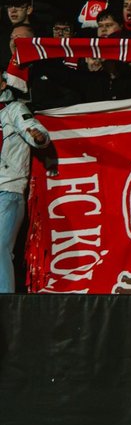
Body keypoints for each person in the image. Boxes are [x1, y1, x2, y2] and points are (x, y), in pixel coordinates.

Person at [1, 94, 54, 293]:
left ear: (3, 84)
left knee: (0, 248)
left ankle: (5, 308)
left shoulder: (13, 110)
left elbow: (33, 128)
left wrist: (39, 137)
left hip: (8, 190)